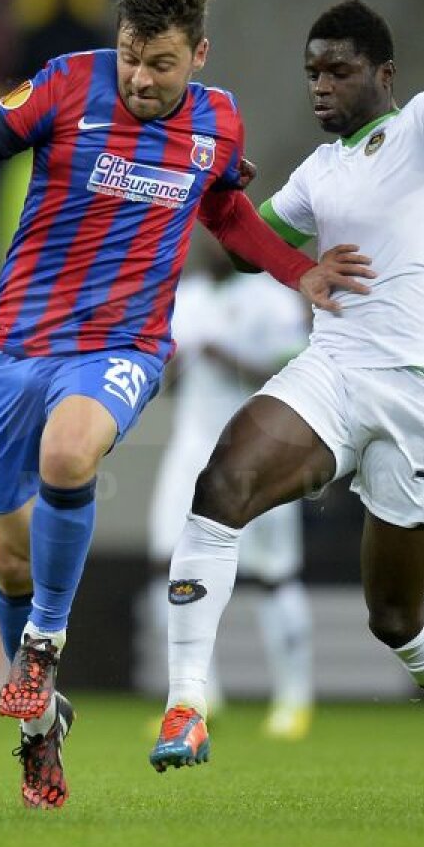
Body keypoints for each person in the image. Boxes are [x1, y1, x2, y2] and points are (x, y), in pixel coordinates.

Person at [0, 0, 372, 810]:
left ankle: (43, 643)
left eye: (162, 63)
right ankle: (39, 731)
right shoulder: (68, 82)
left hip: (121, 344)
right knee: (7, 556)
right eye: (132, 56)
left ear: (200, 55)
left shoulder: (219, 120)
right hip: (12, 345)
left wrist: (298, 272)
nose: (141, 78)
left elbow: (226, 214)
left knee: (68, 457)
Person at [149, 0, 424, 808]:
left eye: (338, 71)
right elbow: (247, 249)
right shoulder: (320, 171)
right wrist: (218, 197)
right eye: (312, 72)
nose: (321, 86)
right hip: (335, 370)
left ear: (383, 74)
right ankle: (186, 705)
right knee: (222, 486)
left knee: (394, 615)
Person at [147, 246, 313, 739]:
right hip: (190, 445)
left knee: (272, 575)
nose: (211, 245)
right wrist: (174, 371)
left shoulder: (273, 298)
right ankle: (200, 696)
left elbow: (299, 372)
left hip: (255, 447)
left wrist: (231, 358)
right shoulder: (187, 296)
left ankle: (294, 698)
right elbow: (170, 377)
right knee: (164, 563)